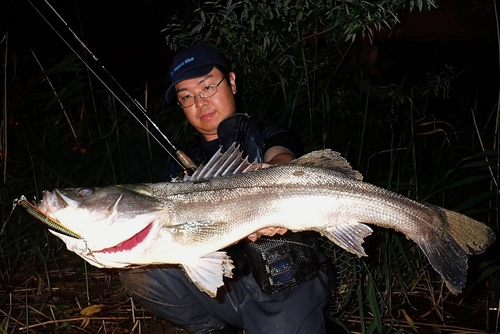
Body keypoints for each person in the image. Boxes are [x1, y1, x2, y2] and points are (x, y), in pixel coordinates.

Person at [119, 44, 346, 334]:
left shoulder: (266, 131)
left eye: (208, 87)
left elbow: (282, 155)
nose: (200, 103)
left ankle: (310, 322)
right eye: (186, 96)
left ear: (233, 83)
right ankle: (213, 329)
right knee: (141, 268)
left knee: (285, 324)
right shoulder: (180, 168)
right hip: (227, 283)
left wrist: (275, 173)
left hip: (287, 274)